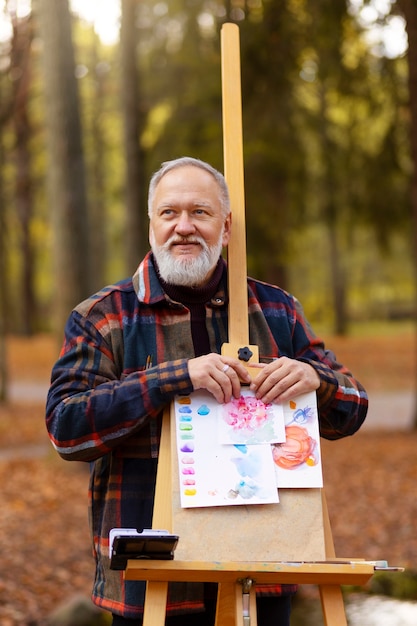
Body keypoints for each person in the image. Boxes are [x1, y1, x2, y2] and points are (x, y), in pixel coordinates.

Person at [46, 156, 368, 625]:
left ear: (227, 226)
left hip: (261, 568)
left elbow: (354, 407)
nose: (184, 227)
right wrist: (174, 379)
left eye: (200, 212)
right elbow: (66, 429)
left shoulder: (277, 310)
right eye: (169, 213)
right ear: (151, 225)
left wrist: (319, 383)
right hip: (151, 577)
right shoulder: (103, 316)